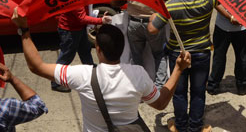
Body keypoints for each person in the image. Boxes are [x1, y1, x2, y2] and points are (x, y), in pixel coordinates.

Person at [12, 11, 192, 132]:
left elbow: (37, 66)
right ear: (122, 49)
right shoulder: (138, 75)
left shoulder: (82, 75)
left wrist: (24, 31)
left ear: (97, 49)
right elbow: (160, 103)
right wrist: (177, 69)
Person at [148, 0, 235, 132]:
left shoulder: (170, 6)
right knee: (198, 91)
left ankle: (180, 126)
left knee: (179, 92)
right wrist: (231, 18)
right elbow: (221, 7)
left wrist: (153, 17)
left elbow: (152, 29)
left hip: (178, 56)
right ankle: (195, 127)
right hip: (202, 53)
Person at [126, 0, 176, 87]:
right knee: (159, 54)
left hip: (134, 23)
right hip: (154, 22)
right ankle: (159, 88)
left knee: (136, 57)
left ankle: (139, 87)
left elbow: (115, 2)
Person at [51, 8, 113, 92]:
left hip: (79, 27)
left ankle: (93, 74)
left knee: (85, 51)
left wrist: (97, 19)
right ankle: (55, 82)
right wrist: (100, 20)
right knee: (66, 56)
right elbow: (82, 18)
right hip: (70, 30)